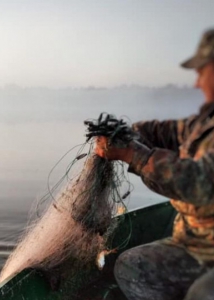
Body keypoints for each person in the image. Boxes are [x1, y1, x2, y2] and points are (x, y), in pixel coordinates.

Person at [95, 28, 214, 300]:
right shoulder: (205, 121)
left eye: (201, 71)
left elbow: (200, 183)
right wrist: (127, 134)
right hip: (199, 244)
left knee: (198, 291)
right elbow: (170, 132)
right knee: (131, 265)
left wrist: (131, 154)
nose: (197, 83)